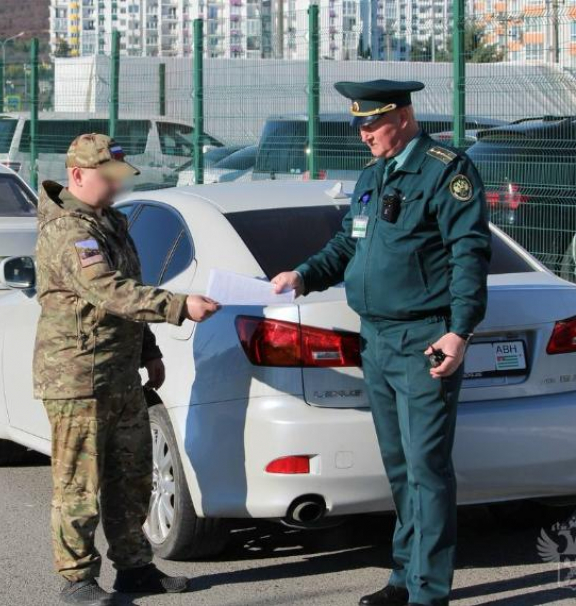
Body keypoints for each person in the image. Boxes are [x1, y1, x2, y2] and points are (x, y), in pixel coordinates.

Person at [272, 80, 491, 606]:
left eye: (372, 123)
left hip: (425, 338)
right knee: (399, 466)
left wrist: (459, 331)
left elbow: (469, 254)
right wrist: (303, 276)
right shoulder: (375, 174)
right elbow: (350, 243)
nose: (363, 134)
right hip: (377, 338)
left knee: (426, 468)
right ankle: (403, 577)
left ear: (404, 116)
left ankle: (428, 591)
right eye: (359, 125)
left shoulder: (446, 170)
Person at [34, 133, 220, 605]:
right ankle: (76, 577)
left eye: (119, 176)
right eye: (107, 177)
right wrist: (179, 306)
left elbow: (131, 290)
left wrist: (149, 351)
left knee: (132, 476)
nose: (116, 186)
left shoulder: (110, 222)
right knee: (80, 484)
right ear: (77, 175)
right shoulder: (67, 231)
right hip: (78, 379)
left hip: (120, 374)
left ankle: (135, 567)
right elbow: (109, 292)